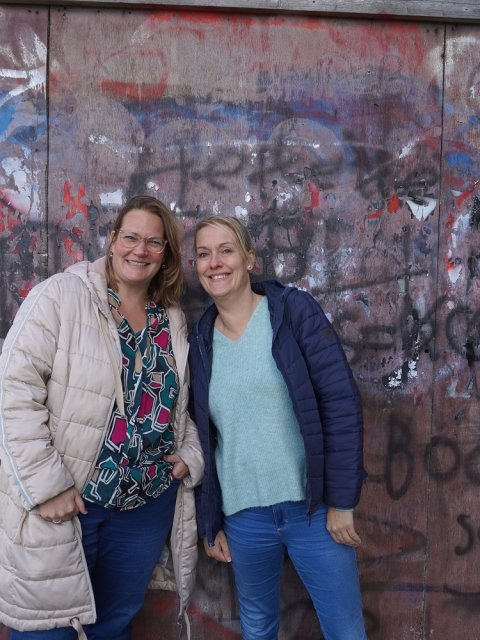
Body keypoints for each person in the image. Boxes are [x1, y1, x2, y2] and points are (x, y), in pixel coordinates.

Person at [0, 195, 204, 639]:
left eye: (154, 242)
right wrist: (47, 486)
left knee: (113, 625)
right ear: (112, 241)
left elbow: (179, 402)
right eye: (131, 237)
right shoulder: (61, 295)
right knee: (47, 630)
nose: (140, 250)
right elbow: (12, 391)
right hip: (71, 502)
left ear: (165, 253)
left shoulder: (169, 318)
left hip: (144, 506)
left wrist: (190, 453)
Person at [188, 215, 368, 640]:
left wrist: (342, 501)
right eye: (204, 254)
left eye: (226, 250)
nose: (215, 262)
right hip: (244, 519)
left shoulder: (292, 312)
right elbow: (202, 436)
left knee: (345, 630)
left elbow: (340, 403)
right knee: (258, 628)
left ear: (249, 259)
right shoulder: (199, 341)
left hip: (314, 510)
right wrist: (210, 521)